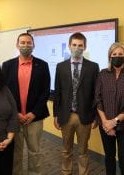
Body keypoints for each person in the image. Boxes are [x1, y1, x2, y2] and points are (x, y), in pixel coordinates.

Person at [2, 33, 50, 175]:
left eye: (29, 43)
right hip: (14, 118)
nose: (25, 45)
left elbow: (45, 92)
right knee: (16, 153)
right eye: (22, 43)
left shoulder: (42, 65)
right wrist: (15, 113)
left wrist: (33, 112)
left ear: (33, 45)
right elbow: (4, 92)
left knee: (34, 152)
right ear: (17, 45)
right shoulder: (7, 65)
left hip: (34, 118)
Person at [53, 32, 99, 175]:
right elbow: (58, 92)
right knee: (66, 149)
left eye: (80, 45)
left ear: (85, 47)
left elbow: (96, 94)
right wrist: (55, 115)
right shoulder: (61, 67)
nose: (77, 48)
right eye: (74, 45)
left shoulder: (93, 67)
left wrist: (96, 116)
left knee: (83, 151)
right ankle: (66, 172)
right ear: (69, 46)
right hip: (66, 115)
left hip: (85, 116)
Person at [95, 43, 124, 175]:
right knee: (109, 158)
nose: (117, 57)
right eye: (114, 54)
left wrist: (114, 122)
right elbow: (98, 98)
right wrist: (105, 122)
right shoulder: (103, 74)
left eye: (120, 54)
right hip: (105, 125)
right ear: (110, 56)